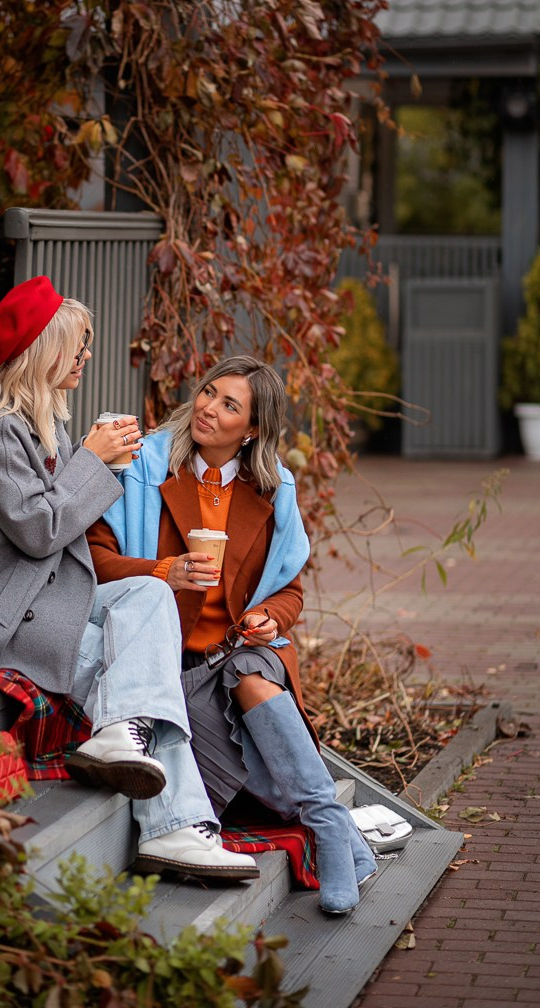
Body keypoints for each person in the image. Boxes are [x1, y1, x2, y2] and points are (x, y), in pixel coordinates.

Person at [0, 276, 257, 882]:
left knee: (152, 591)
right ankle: (177, 829)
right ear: (47, 350)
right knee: (141, 681)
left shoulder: (37, 423)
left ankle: (120, 740)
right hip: (6, 610)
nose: (86, 358)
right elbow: (38, 528)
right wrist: (93, 460)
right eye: (79, 347)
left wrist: (91, 462)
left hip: (47, 594)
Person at [87, 355, 377, 914]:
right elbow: (94, 561)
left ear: (253, 430)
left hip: (239, 655)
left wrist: (274, 617)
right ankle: (341, 835)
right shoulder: (144, 467)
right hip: (176, 669)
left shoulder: (273, 490)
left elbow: (289, 591)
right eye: (208, 393)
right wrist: (161, 571)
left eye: (229, 405)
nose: (207, 409)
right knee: (249, 779)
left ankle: (326, 820)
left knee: (251, 667)